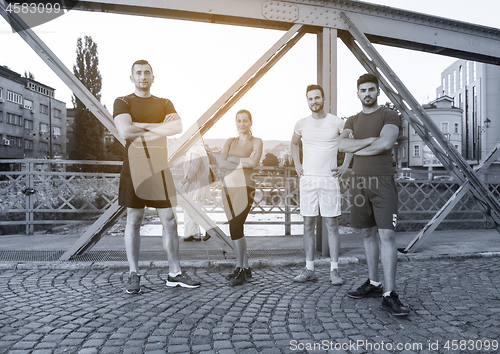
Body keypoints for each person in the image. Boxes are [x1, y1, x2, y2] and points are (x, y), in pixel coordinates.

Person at [113, 59, 201, 294]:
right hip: (135, 167)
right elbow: (124, 130)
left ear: (153, 77)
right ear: (132, 77)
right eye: (138, 73)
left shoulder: (164, 102)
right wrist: (158, 126)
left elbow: (177, 127)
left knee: (170, 220)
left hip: (159, 168)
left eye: (147, 73)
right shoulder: (122, 101)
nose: (143, 76)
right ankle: (133, 273)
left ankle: (174, 273)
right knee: (134, 220)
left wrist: (140, 126)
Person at [339, 73, 409, 316]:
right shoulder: (351, 120)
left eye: (371, 89)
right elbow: (342, 146)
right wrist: (371, 140)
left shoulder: (389, 115)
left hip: (382, 180)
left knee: (387, 235)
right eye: (363, 90)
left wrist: (360, 144)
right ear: (357, 93)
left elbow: (386, 144)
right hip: (358, 182)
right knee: (367, 233)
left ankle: (390, 295)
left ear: (377, 91)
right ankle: (374, 283)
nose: (367, 94)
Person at [291, 84, 352, 285]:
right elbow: (293, 143)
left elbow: (351, 141)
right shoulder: (301, 123)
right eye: (310, 99)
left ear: (323, 99)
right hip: (308, 179)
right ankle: (309, 269)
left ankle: (334, 270)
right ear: (307, 100)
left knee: (332, 225)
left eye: (317, 98)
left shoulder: (336, 122)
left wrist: (345, 165)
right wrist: (297, 164)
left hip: (329, 179)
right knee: (308, 224)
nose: (314, 102)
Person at [217, 109, 263, 286]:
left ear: (251, 122)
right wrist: (241, 160)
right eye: (239, 121)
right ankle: (245, 267)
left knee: (236, 225)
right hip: (228, 188)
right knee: (236, 227)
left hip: (246, 187)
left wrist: (231, 159)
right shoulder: (229, 141)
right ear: (235, 123)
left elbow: (253, 163)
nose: (242, 124)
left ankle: (240, 269)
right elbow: (220, 162)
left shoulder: (257, 141)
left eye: (245, 121)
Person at [180, 138, 211, 242]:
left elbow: (192, 169)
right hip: (198, 185)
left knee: (192, 211)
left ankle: (210, 227)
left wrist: (183, 182)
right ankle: (193, 234)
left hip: (195, 186)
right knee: (191, 209)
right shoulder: (200, 150)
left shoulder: (195, 152)